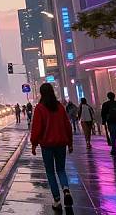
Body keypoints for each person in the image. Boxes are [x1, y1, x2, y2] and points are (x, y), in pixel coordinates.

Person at [31, 83, 73, 211]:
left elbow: (37, 128)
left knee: (50, 172)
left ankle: (57, 200)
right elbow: (67, 126)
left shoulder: (40, 108)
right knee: (61, 170)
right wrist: (70, 143)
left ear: (41, 93)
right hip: (61, 143)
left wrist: (34, 144)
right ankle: (65, 189)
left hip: (47, 145)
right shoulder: (60, 107)